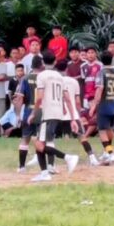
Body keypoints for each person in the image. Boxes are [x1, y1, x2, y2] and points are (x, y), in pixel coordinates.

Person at [29, 52, 79, 182]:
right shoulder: (60, 77)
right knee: (40, 143)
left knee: (39, 144)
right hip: (57, 112)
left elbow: (39, 97)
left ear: (42, 63)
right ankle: (44, 172)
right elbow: (67, 99)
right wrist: (73, 118)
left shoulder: (41, 76)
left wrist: (33, 113)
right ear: (55, 62)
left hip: (48, 113)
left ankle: (67, 157)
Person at [89, 51, 114, 165]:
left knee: (102, 130)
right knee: (109, 129)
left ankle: (110, 153)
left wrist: (94, 105)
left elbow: (100, 88)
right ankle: (106, 151)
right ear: (112, 59)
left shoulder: (101, 72)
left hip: (104, 104)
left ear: (101, 60)